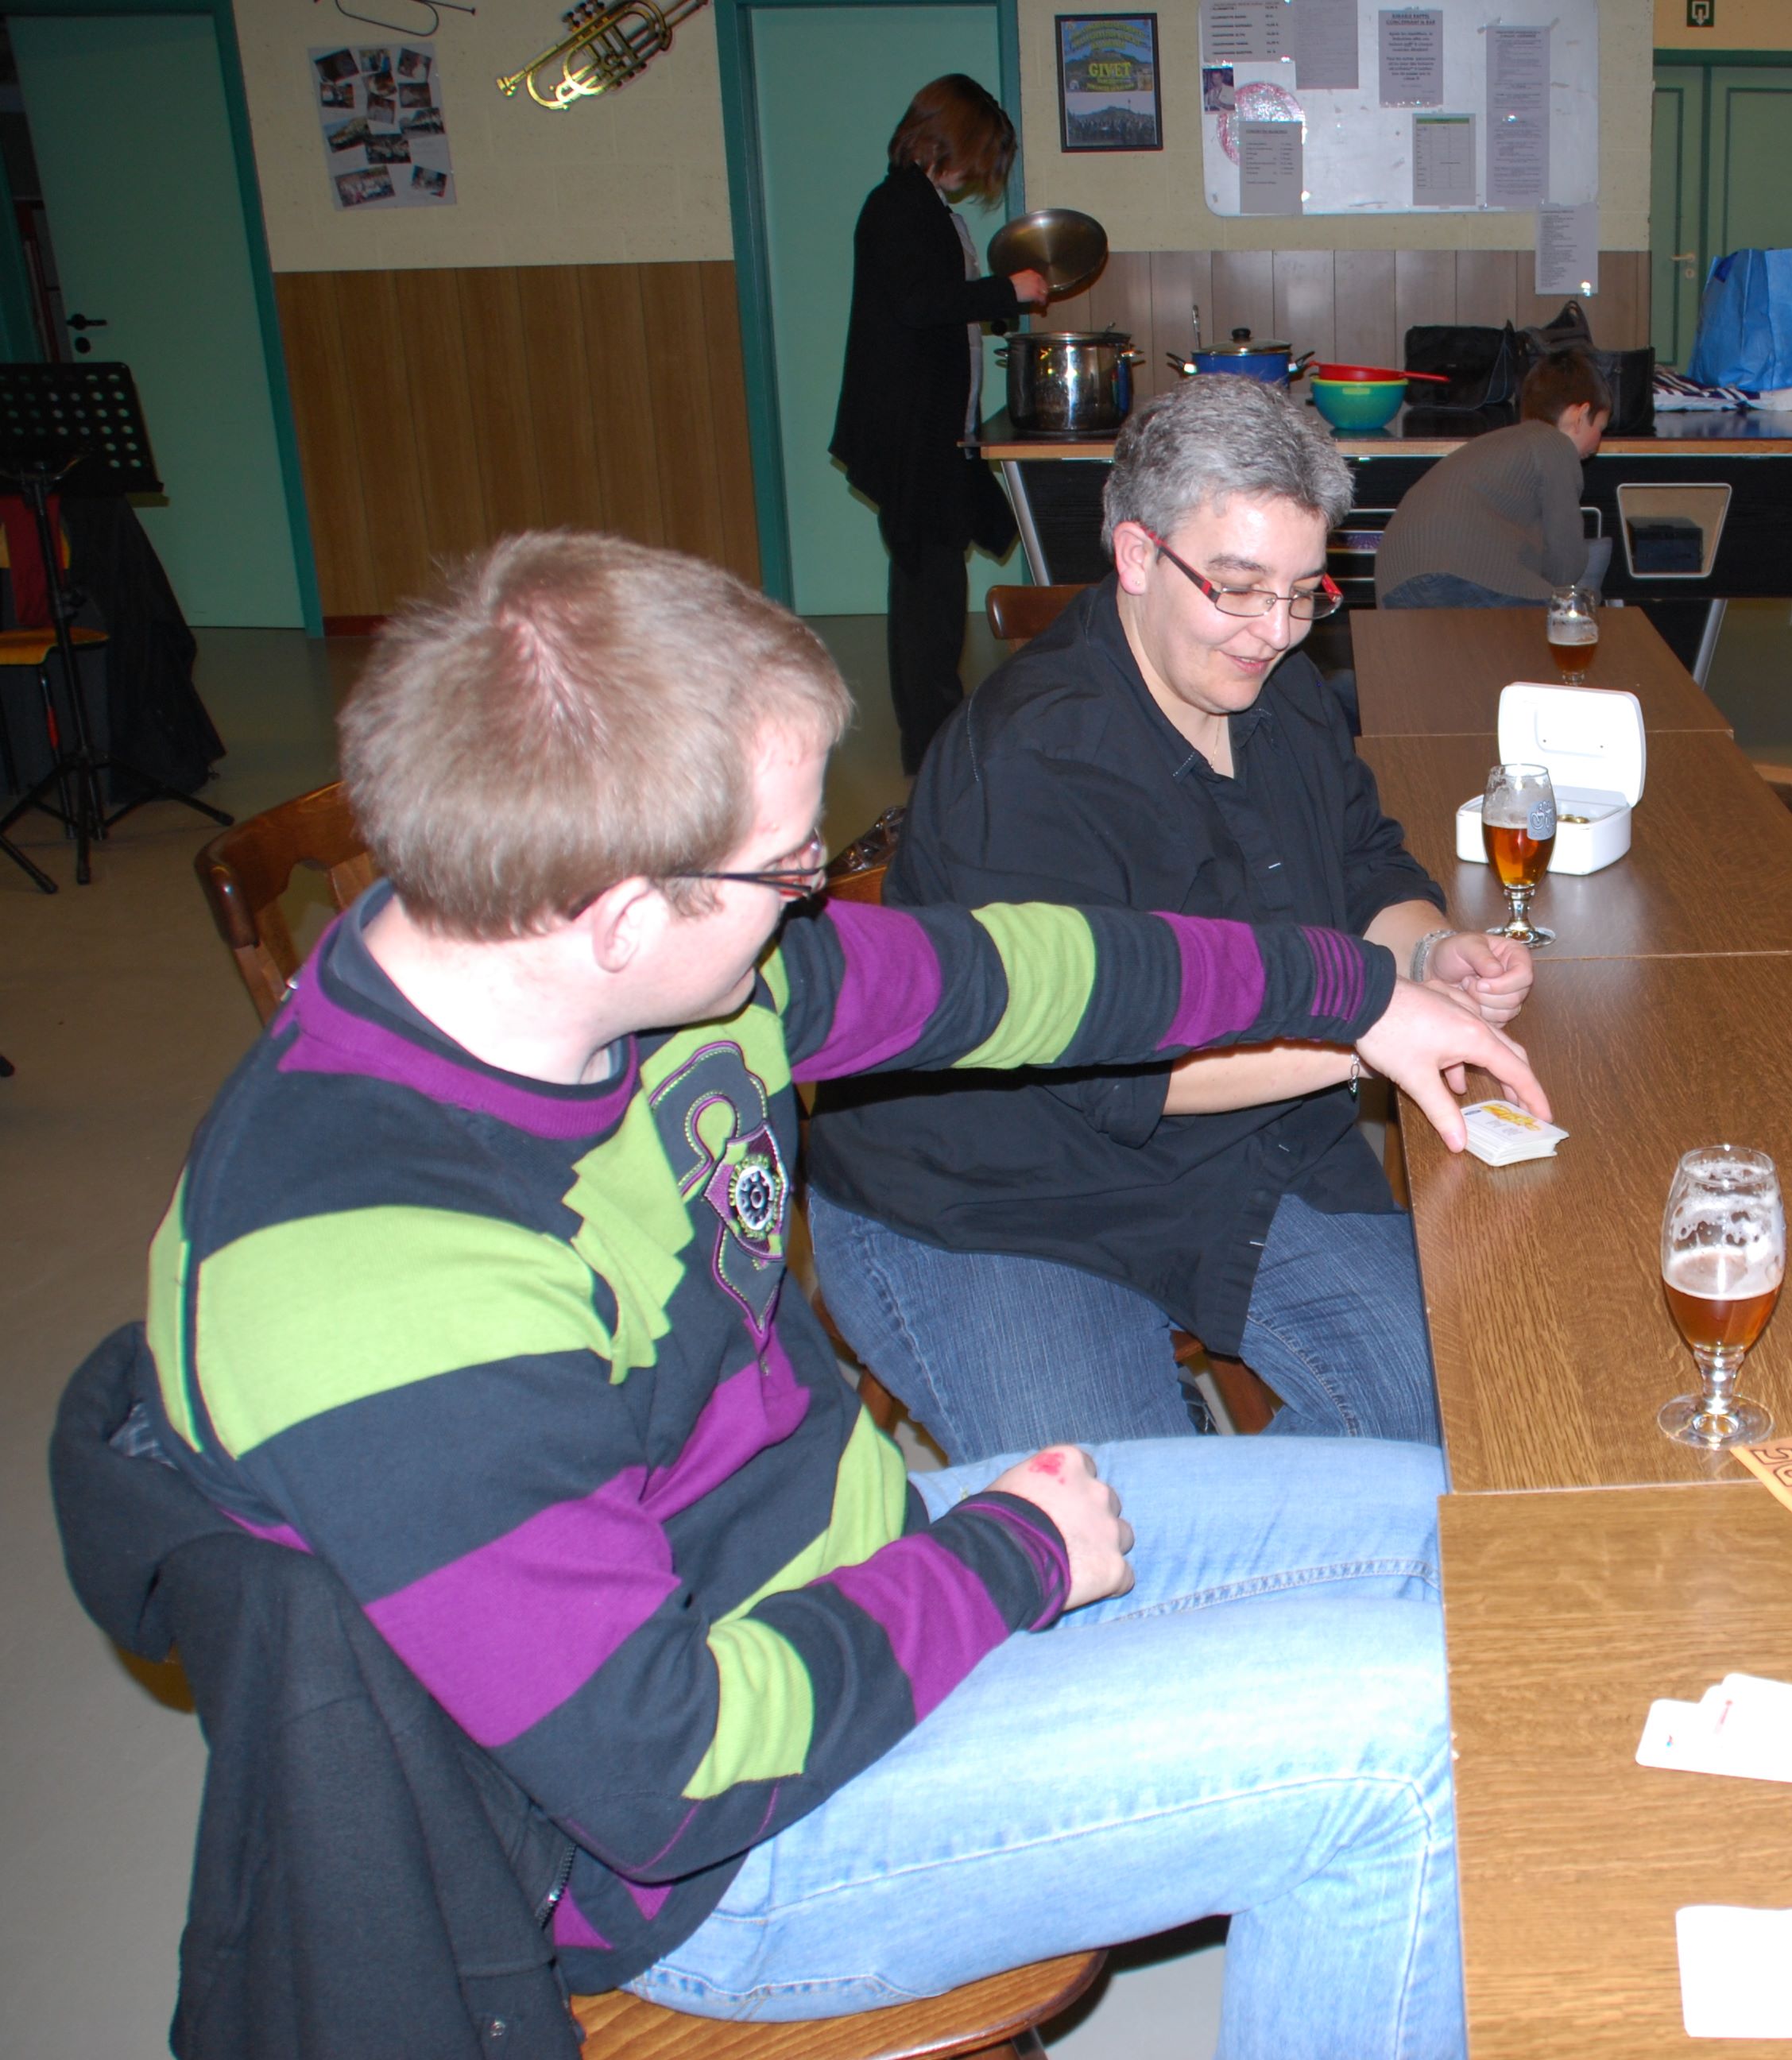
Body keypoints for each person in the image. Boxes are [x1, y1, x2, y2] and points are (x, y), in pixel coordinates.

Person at [132, 529, 1545, 2049]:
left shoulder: (630, 989)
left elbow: (1020, 973)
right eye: (791, 867)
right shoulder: (375, 1273)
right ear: (622, 914)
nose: (816, 900)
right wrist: (999, 1560)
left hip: (841, 1570)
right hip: (719, 1855)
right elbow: (660, 1767)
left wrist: (1355, 993)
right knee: (1414, 1734)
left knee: (1459, 1526)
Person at [809, 377, 1527, 1454]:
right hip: (991, 1202)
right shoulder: (1035, 755)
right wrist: (1369, 1038)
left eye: (1303, 592)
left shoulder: (1272, 684)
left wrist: (1426, 950)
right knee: (1118, 1543)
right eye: (1237, 589)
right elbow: (1112, 1075)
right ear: (1138, 555)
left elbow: (1365, 861)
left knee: (1472, 1416)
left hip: (1240, 1156)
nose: (1275, 632)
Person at [831, 75, 1050, 774]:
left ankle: (937, 733)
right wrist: (1005, 293)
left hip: (929, 429)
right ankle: (931, 748)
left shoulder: (919, 206)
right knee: (928, 591)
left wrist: (995, 302)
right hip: (909, 432)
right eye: (979, 157)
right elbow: (921, 302)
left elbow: (929, 303)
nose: (976, 177)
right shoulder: (897, 205)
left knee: (935, 579)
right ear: (948, 142)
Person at [1373, 349, 1609, 608]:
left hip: (1396, 580)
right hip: (1458, 573)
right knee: (1566, 619)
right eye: (1599, 427)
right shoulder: (1554, 444)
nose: (1599, 442)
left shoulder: (1500, 447)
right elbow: (1566, 565)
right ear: (1579, 416)